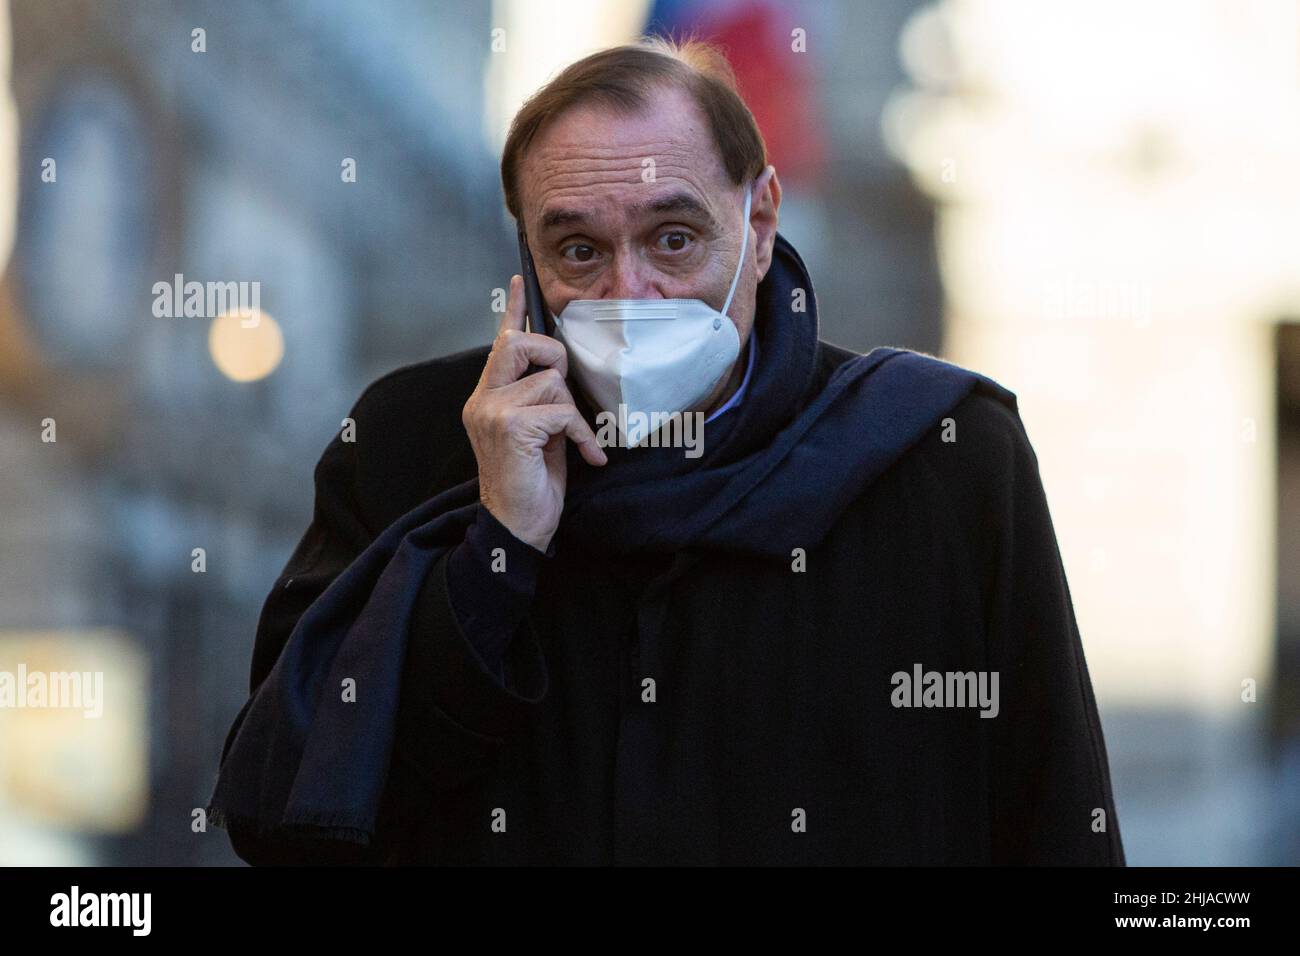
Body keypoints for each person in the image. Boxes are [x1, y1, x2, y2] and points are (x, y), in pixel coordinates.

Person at [206, 36, 1125, 866]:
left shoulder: (939, 453)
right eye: (577, 249)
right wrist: (494, 551)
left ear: (759, 226)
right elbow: (284, 817)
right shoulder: (415, 444)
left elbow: (1057, 821)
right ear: (526, 258)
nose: (631, 289)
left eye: (674, 239)